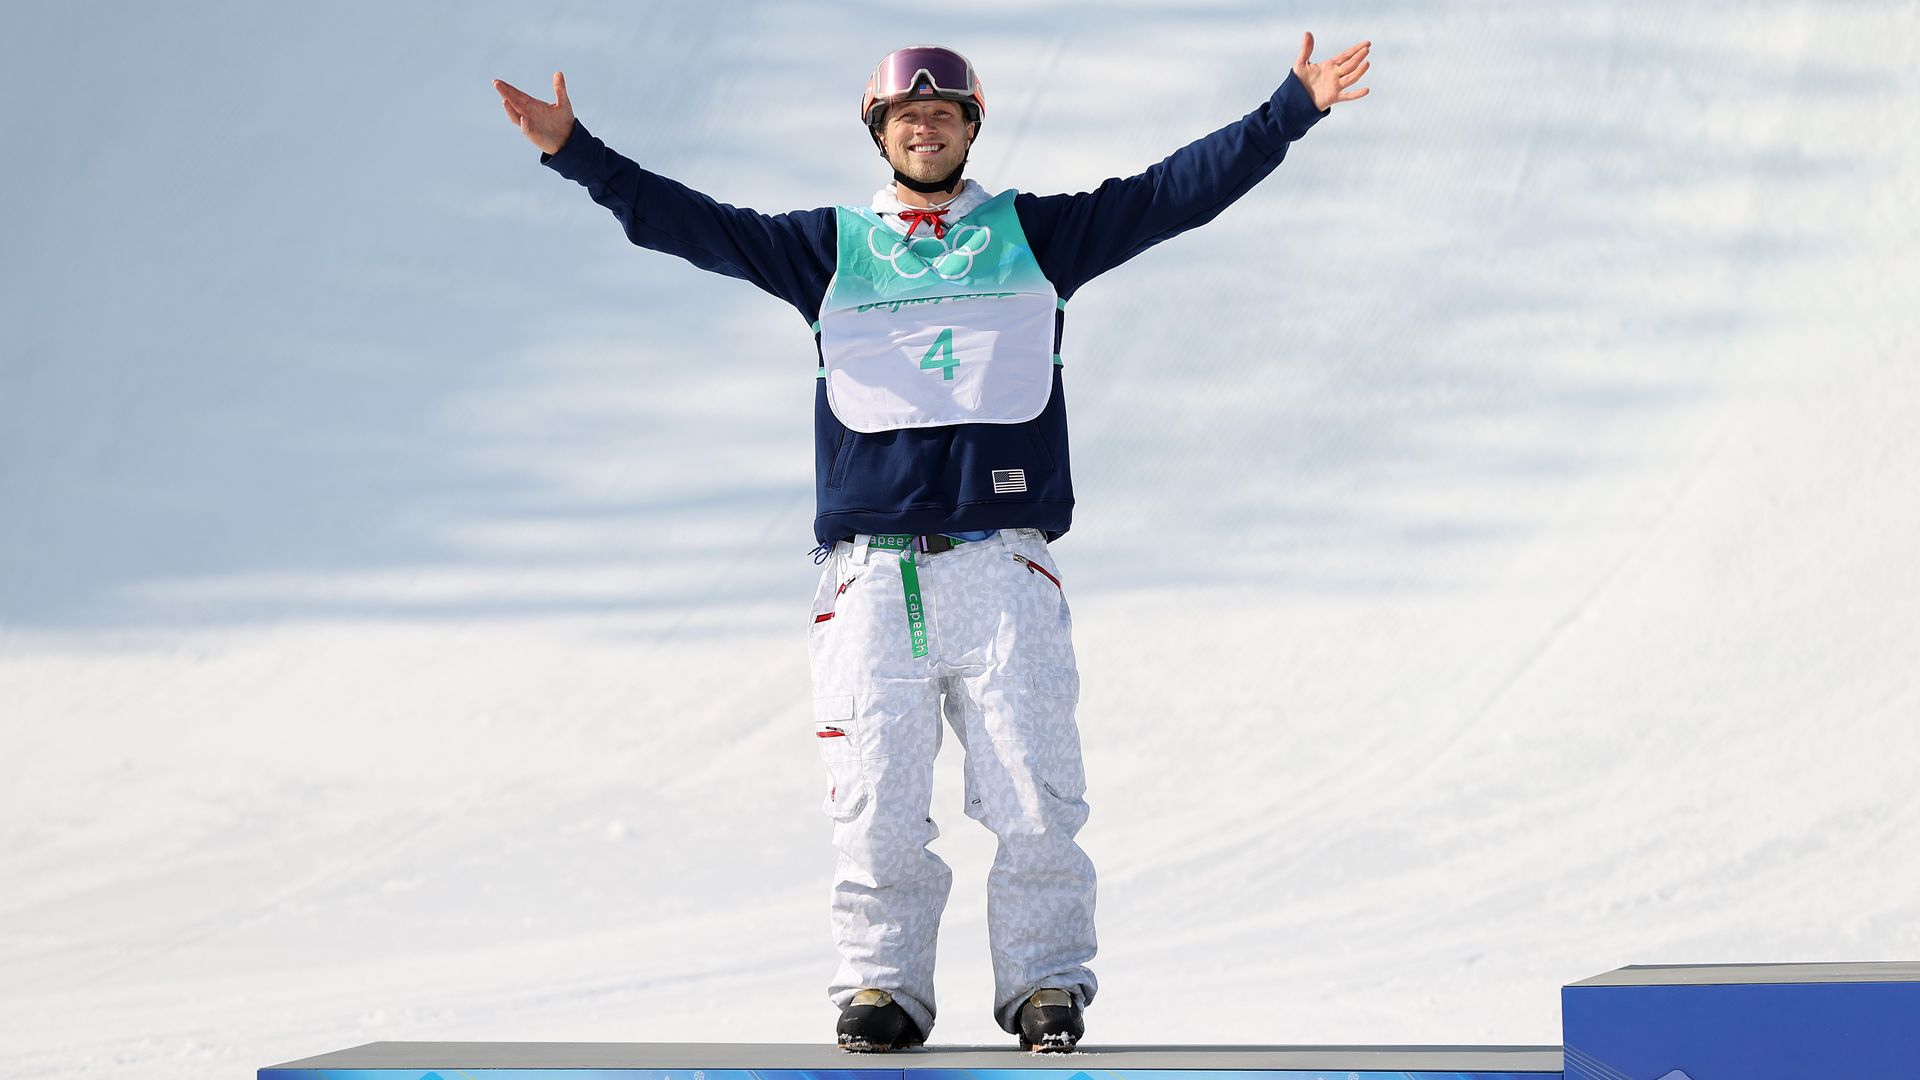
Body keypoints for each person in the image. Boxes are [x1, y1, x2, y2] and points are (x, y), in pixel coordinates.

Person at [492, 35, 1371, 1053]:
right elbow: (694, 226)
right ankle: (880, 987)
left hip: (1002, 564)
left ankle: (1046, 984)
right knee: (874, 796)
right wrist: (575, 151)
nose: (926, 128)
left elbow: (1174, 193)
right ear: (880, 132)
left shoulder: (1033, 236)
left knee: (1036, 790)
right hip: (873, 576)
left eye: (945, 117)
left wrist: (1287, 112)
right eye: (907, 118)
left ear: (970, 130)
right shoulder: (830, 246)